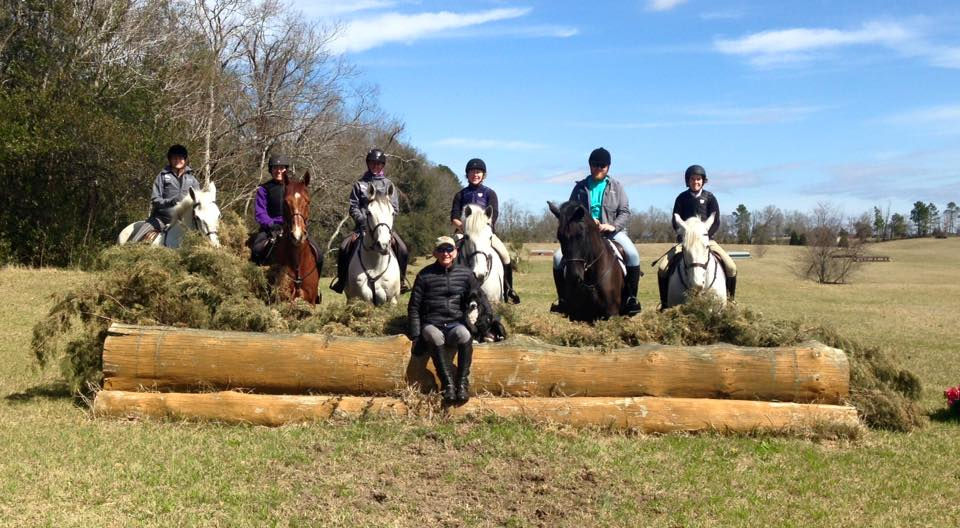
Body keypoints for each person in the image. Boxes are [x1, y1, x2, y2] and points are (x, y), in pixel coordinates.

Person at [551, 147, 642, 315]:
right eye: (595, 165)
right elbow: (571, 211)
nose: (599, 168)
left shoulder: (617, 187)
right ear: (590, 166)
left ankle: (631, 299)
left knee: (633, 255)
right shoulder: (580, 188)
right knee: (557, 259)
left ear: (608, 167)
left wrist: (612, 226)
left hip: (611, 233)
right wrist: (587, 222)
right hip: (584, 235)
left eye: (603, 166)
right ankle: (563, 300)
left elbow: (625, 212)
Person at [407, 236, 488, 403]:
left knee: (465, 335)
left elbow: (479, 296)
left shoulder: (466, 274)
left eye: (449, 249)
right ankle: (447, 384)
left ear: (456, 252)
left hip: (455, 323)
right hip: (432, 323)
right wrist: (415, 336)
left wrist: (475, 307)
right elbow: (413, 307)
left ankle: (462, 383)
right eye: (442, 250)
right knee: (435, 337)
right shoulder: (424, 275)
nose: (446, 253)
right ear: (435, 253)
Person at [656, 164, 737, 307]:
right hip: (685, 242)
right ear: (688, 181)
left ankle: (731, 301)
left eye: (698, 179)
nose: (695, 182)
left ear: (703, 181)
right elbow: (675, 221)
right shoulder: (681, 198)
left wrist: (704, 236)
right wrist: (686, 235)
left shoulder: (710, 198)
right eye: (692, 179)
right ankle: (664, 303)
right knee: (662, 268)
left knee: (731, 267)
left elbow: (716, 221)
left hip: (707, 241)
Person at [330, 148, 410, 294]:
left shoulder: (388, 185)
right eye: (373, 163)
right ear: (368, 164)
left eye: (379, 164)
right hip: (362, 227)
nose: (375, 166)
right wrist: (363, 221)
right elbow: (353, 207)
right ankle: (342, 281)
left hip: (384, 228)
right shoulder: (359, 184)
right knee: (343, 247)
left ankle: (402, 281)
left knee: (403, 249)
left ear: (383, 165)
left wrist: (384, 223)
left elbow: (395, 209)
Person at [450, 158, 521, 304]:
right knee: (446, 253)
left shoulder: (490, 193)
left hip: (485, 233)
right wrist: (466, 228)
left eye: (478, 172)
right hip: (464, 232)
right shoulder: (460, 195)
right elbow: (454, 217)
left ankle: (509, 289)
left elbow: (493, 214)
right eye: (472, 172)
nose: (475, 174)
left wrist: (481, 229)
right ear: (467, 174)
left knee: (505, 255)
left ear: (483, 175)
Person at [130, 144, 200, 242]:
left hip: (184, 222)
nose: (177, 160)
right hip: (161, 219)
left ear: (185, 160)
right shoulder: (162, 176)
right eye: (174, 158)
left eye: (180, 158)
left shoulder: (192, 180)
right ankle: (130, 247)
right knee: (136, 240)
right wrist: (170, 201)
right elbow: (155, 199)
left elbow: (198, 200)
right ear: (170, 160)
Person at [249, 154, 290, 265]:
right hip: (270, 229)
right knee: (256, 249)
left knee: (318, 253)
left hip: (292, 227)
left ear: (286, 169)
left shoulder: (293, 187)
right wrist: (271, 224)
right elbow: (260, 212)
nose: (278, 171)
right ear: (271, 170)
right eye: (275, 168)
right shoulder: (263, 189)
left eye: (281, 168)